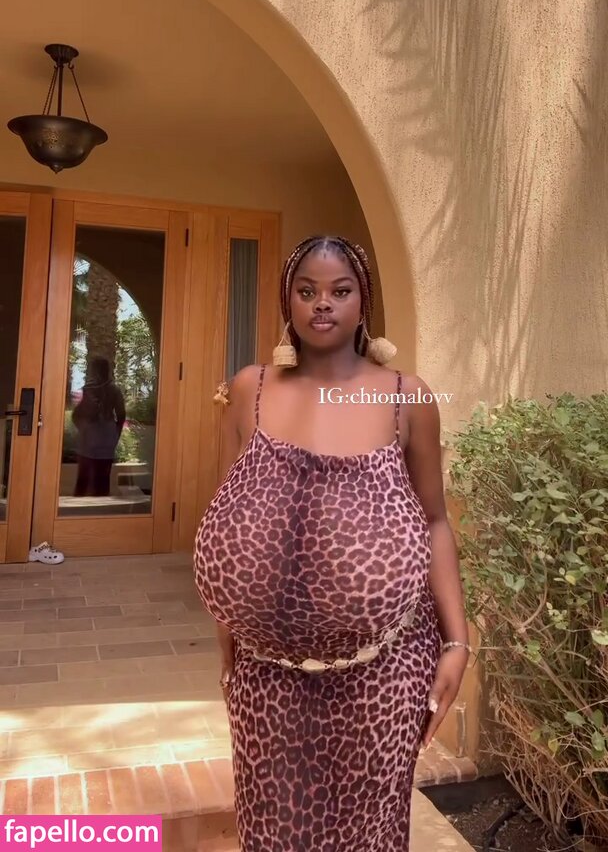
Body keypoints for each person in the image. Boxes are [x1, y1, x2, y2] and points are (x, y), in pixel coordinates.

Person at [194, 235, 470, 852]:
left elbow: (435, 521)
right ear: (287, 301)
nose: (323, 303)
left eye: (340, 291)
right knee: (273, 829)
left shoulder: (405, 397)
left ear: (362, 300)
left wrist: (458, 641)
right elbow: (234, 523)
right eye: (307, 291)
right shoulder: (250, 389)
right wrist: (228, 634)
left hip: (387, 671)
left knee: (370, 832)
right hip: (267, 673)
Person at [72, 357, 126, 497]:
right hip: (103, 440)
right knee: (101, 480)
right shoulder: (113, 390)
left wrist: (83, 428)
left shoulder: (90, 389)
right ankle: (98, 506)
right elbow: (121, 415)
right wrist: (115, 435)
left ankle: (79, 506)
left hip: (92, 439)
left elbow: (76, 415)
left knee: (84, 480)